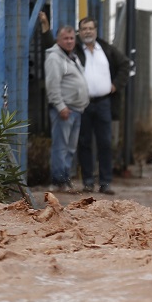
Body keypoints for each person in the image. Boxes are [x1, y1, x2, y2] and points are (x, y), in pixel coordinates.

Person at [74, 17, 131, 195]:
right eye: (84, 29)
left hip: (104, 103)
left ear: (96, 30)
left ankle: (105, 182)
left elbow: (125, 65)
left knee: (105, 142)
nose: (88, 32)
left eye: (91, 28)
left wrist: (116, 84)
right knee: (84, 143)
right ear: (79, 32)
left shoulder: (106, 49)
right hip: (83, 103)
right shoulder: (75, 50)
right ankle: (88, 182)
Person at [45, 25, 90, 192]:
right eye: (66, 38)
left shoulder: (71, 56)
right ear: (58, 40)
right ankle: (58, 181)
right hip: (64, 110)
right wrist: (60, 106)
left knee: (70, 148)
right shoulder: (55, 58)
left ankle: (65, 178)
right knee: (61, 146)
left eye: (72, 38)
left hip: (76, 109)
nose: (70, 41)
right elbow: (52, 85)